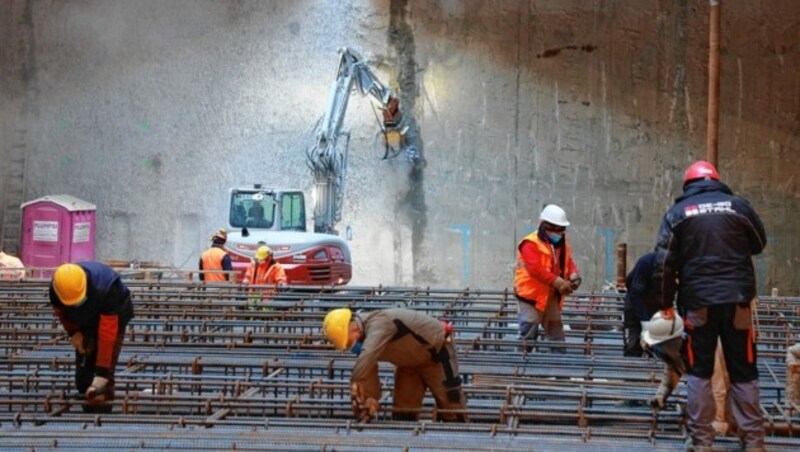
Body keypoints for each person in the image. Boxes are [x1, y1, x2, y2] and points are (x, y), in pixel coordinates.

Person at [653, 160, 767, 451]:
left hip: (699, 304)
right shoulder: (738, 207)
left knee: (700, 372)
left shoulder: (678, 214)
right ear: (716, 180)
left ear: (687, 186)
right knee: (745, 370)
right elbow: (758, 243)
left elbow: (664, 264)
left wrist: (665, 305)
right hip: (739, 302)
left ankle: (702, 442)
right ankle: (753, 441)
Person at [322, 307, 467, 423]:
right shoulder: (363, 342)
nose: (349, 347)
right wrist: (369, 399)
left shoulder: (380, 324)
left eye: (347, 342)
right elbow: (367, 369)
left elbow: (368, 356)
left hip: (436, 356)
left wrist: (355, 382)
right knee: (403, 413)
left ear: (354, 329)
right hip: (408, 364)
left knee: (452, 408)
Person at [49, 262, 134, 413]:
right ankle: (88, 410)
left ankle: (102, 417)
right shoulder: (58, 290)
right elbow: (62, 313)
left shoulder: (106, 289)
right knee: (84, 376)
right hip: (84, 319)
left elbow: (107, 335)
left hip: (116, 314)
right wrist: (74, 333)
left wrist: (101, 373)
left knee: (104, 379)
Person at [513, 204, 581, 352]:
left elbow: (568, 262)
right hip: (531, 297)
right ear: (544, 226)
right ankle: (521, 370)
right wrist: (559, 282)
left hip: (550, 296)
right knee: (528, 334)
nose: (559, 233)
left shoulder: (561, 243)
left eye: (561, 229)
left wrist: (574, 275)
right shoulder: (529, 244)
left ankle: (560, 371)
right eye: (555, 229)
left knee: (557, 336)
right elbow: (535, 269)